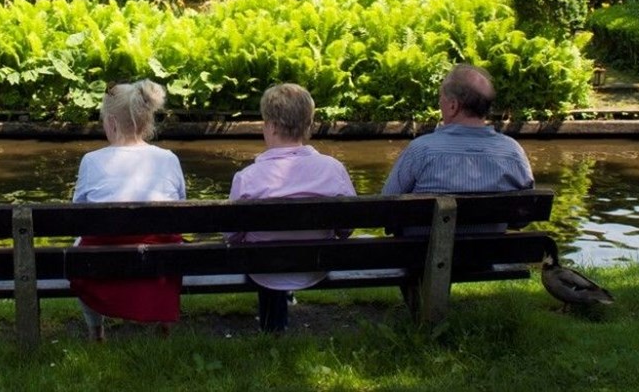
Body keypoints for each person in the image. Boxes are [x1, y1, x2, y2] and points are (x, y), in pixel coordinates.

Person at [227, 83, 356, 333]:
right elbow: (347, 227)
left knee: (262, 250)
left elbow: (232, 235)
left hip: (263, 269)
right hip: (316, 265)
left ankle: (272, 329)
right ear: (308, 126)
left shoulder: (248, 177)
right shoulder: (333, 169)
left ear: (272, 126)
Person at [69, 80, 185, 342]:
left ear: (110, 122)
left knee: (79, 247)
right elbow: (180, 207)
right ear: (146, 122)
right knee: (170, 240)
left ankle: (95, 330)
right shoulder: (168, 159)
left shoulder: (92, 161)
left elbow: (77, 215)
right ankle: (163, 324)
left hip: (103, 266)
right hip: (160, 263)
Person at [382, 63, 534, 198]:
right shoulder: (513, 153)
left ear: (453, 106)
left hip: (428, 231)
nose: (439, 102)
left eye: (441, 98)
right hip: (494, 231)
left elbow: (387, 205)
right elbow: (524, 216)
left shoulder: (420, 151)